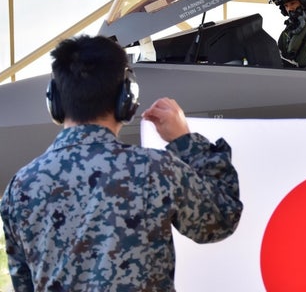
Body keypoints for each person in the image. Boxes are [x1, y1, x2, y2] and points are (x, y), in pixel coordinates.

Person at [0, 35, 243, 291]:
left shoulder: (20, 187)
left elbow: (24, 283)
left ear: (55, 102)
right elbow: (221, 219)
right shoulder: (154, 170)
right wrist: (184, 141)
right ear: (126, 98)